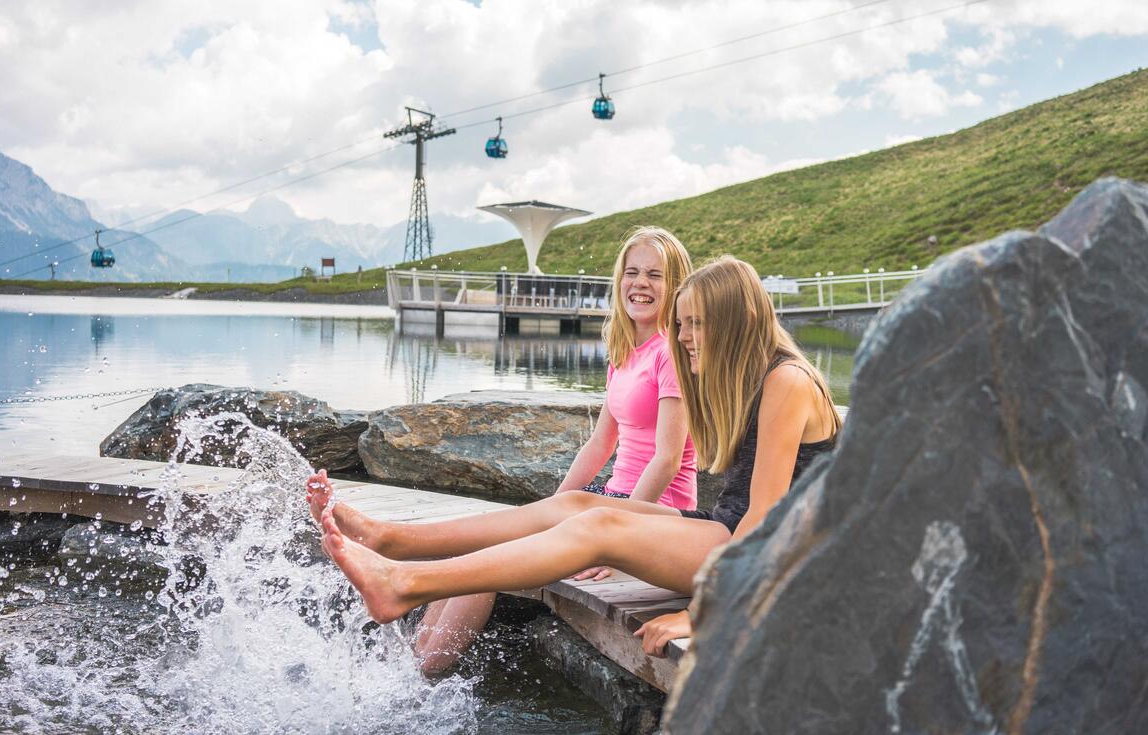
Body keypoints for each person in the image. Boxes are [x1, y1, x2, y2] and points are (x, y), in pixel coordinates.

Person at [308, 255, 840, 657]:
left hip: (780, 560)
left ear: (745, 315)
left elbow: (765, 517)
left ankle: (403, 583)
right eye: (680, 325)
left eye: (696, 324)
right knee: (577, 505)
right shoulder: (754, 379)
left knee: (601, 527)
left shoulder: (787, 380)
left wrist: (702, 616)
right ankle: (393, 539)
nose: (683, 338)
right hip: (730, 532)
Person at [310, 226, 698, 674]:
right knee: (495, 546)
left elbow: (667, 458)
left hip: (651, 514)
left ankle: (419, 666)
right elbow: (600, 443)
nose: (640, 283)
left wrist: (624, 537)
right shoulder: (625, 351)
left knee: (497, 558)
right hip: (611, 503)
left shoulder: (671, 353)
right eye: (632, 272)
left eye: (654, 274)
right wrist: (552, 505)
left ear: (676, 287)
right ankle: (410, 659)